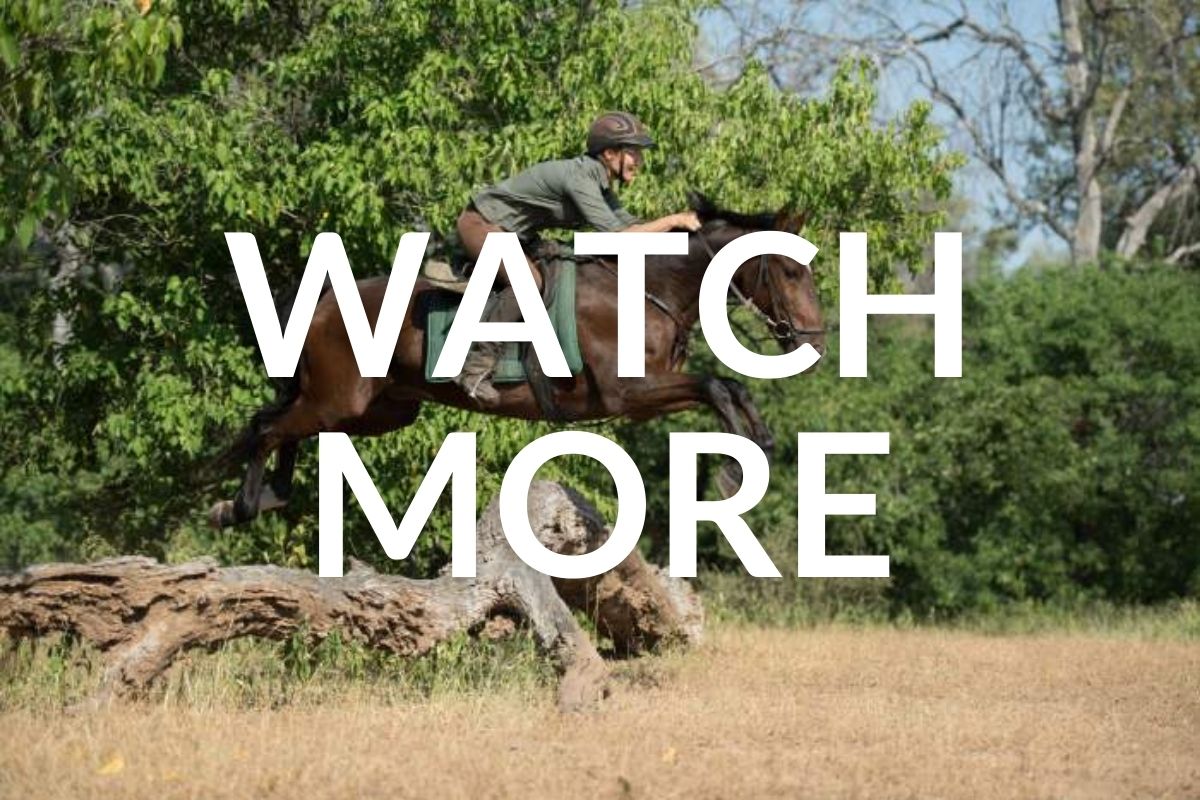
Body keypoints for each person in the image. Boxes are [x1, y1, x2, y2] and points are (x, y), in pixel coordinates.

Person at [453, 111, 702, 405]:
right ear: (609, 154)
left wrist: (683, 231)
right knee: (528, 282)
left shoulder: (601, 183)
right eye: (633, 152)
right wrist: (674, 219)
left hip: (515, 235)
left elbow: (632, 229)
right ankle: (475, 368)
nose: (639, 161)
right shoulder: (580, 178)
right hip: (480, 225)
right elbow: (620, 238)